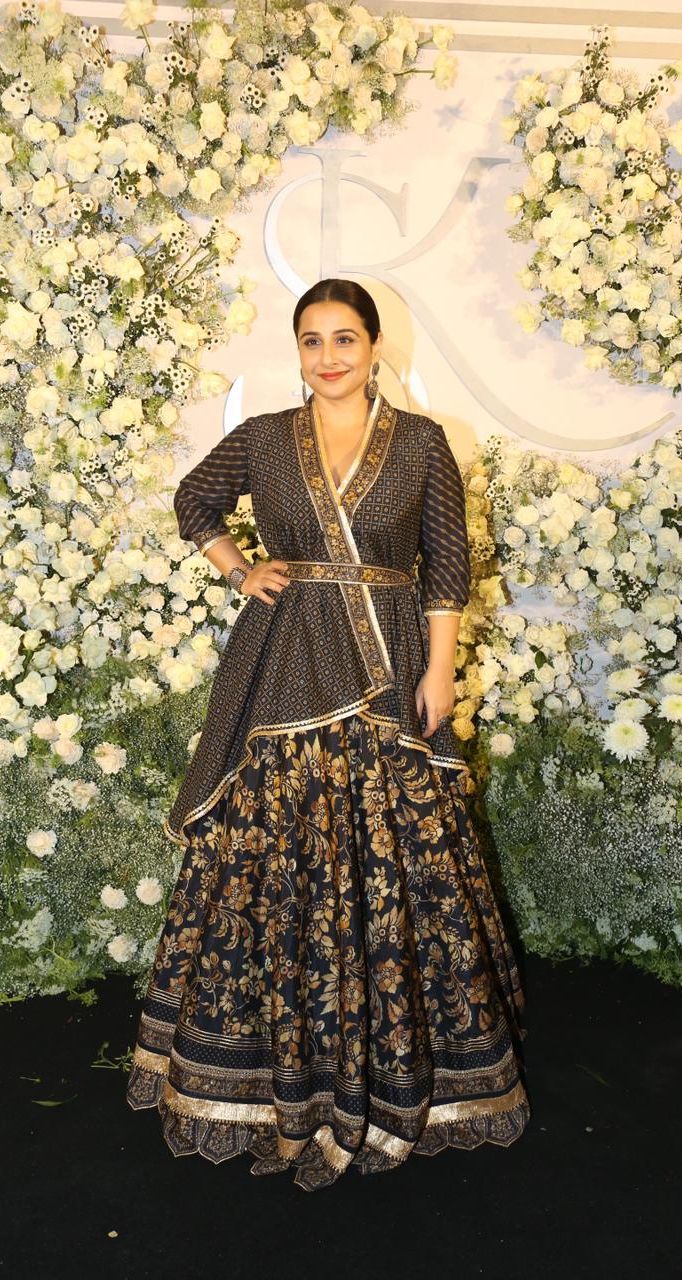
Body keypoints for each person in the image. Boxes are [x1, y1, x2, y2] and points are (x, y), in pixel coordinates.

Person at [126, 277, 530, 1191]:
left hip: (389, 666)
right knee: (276, 843)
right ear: (298, 350)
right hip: (286, 662)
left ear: (375, 346)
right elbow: (194, 499)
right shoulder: (268, 437)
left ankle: (399, 1072)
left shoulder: (421, 443)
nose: (328, 356)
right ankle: (276, 1070)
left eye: (344, 338)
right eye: (312, 340)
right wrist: (238, 568)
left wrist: (438, 671)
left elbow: (447, 566)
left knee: (397, 849)